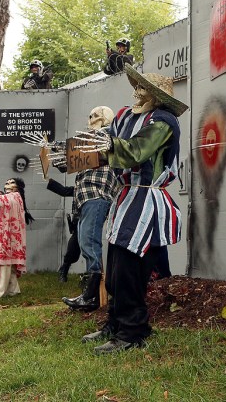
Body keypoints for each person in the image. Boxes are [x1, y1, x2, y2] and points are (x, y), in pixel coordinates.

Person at [79, 65, 188, 354]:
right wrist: (71, 153)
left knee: (129, 271)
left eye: (143, 89)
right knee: (115, 270)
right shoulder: (126, 115)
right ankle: (115, 325)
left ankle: (133, 332)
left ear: (156, 97)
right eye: (137, 86)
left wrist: (107, 144)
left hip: (147, 201)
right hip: (125, 199)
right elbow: (105, 151)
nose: (137, 91)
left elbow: (136, 151)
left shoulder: (164, 121)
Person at [46, 106, 120, 311]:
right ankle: (91, 294)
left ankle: (92, 296)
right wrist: (57, 155)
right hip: (85, 198)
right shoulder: (90, 143)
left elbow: (84, 148)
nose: (91, 118)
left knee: (89, 242)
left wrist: (58, 146)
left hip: (97, 195)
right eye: (90, 114)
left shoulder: (108, 134)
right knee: (86, 243)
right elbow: (69, 161)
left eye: (96, 115)